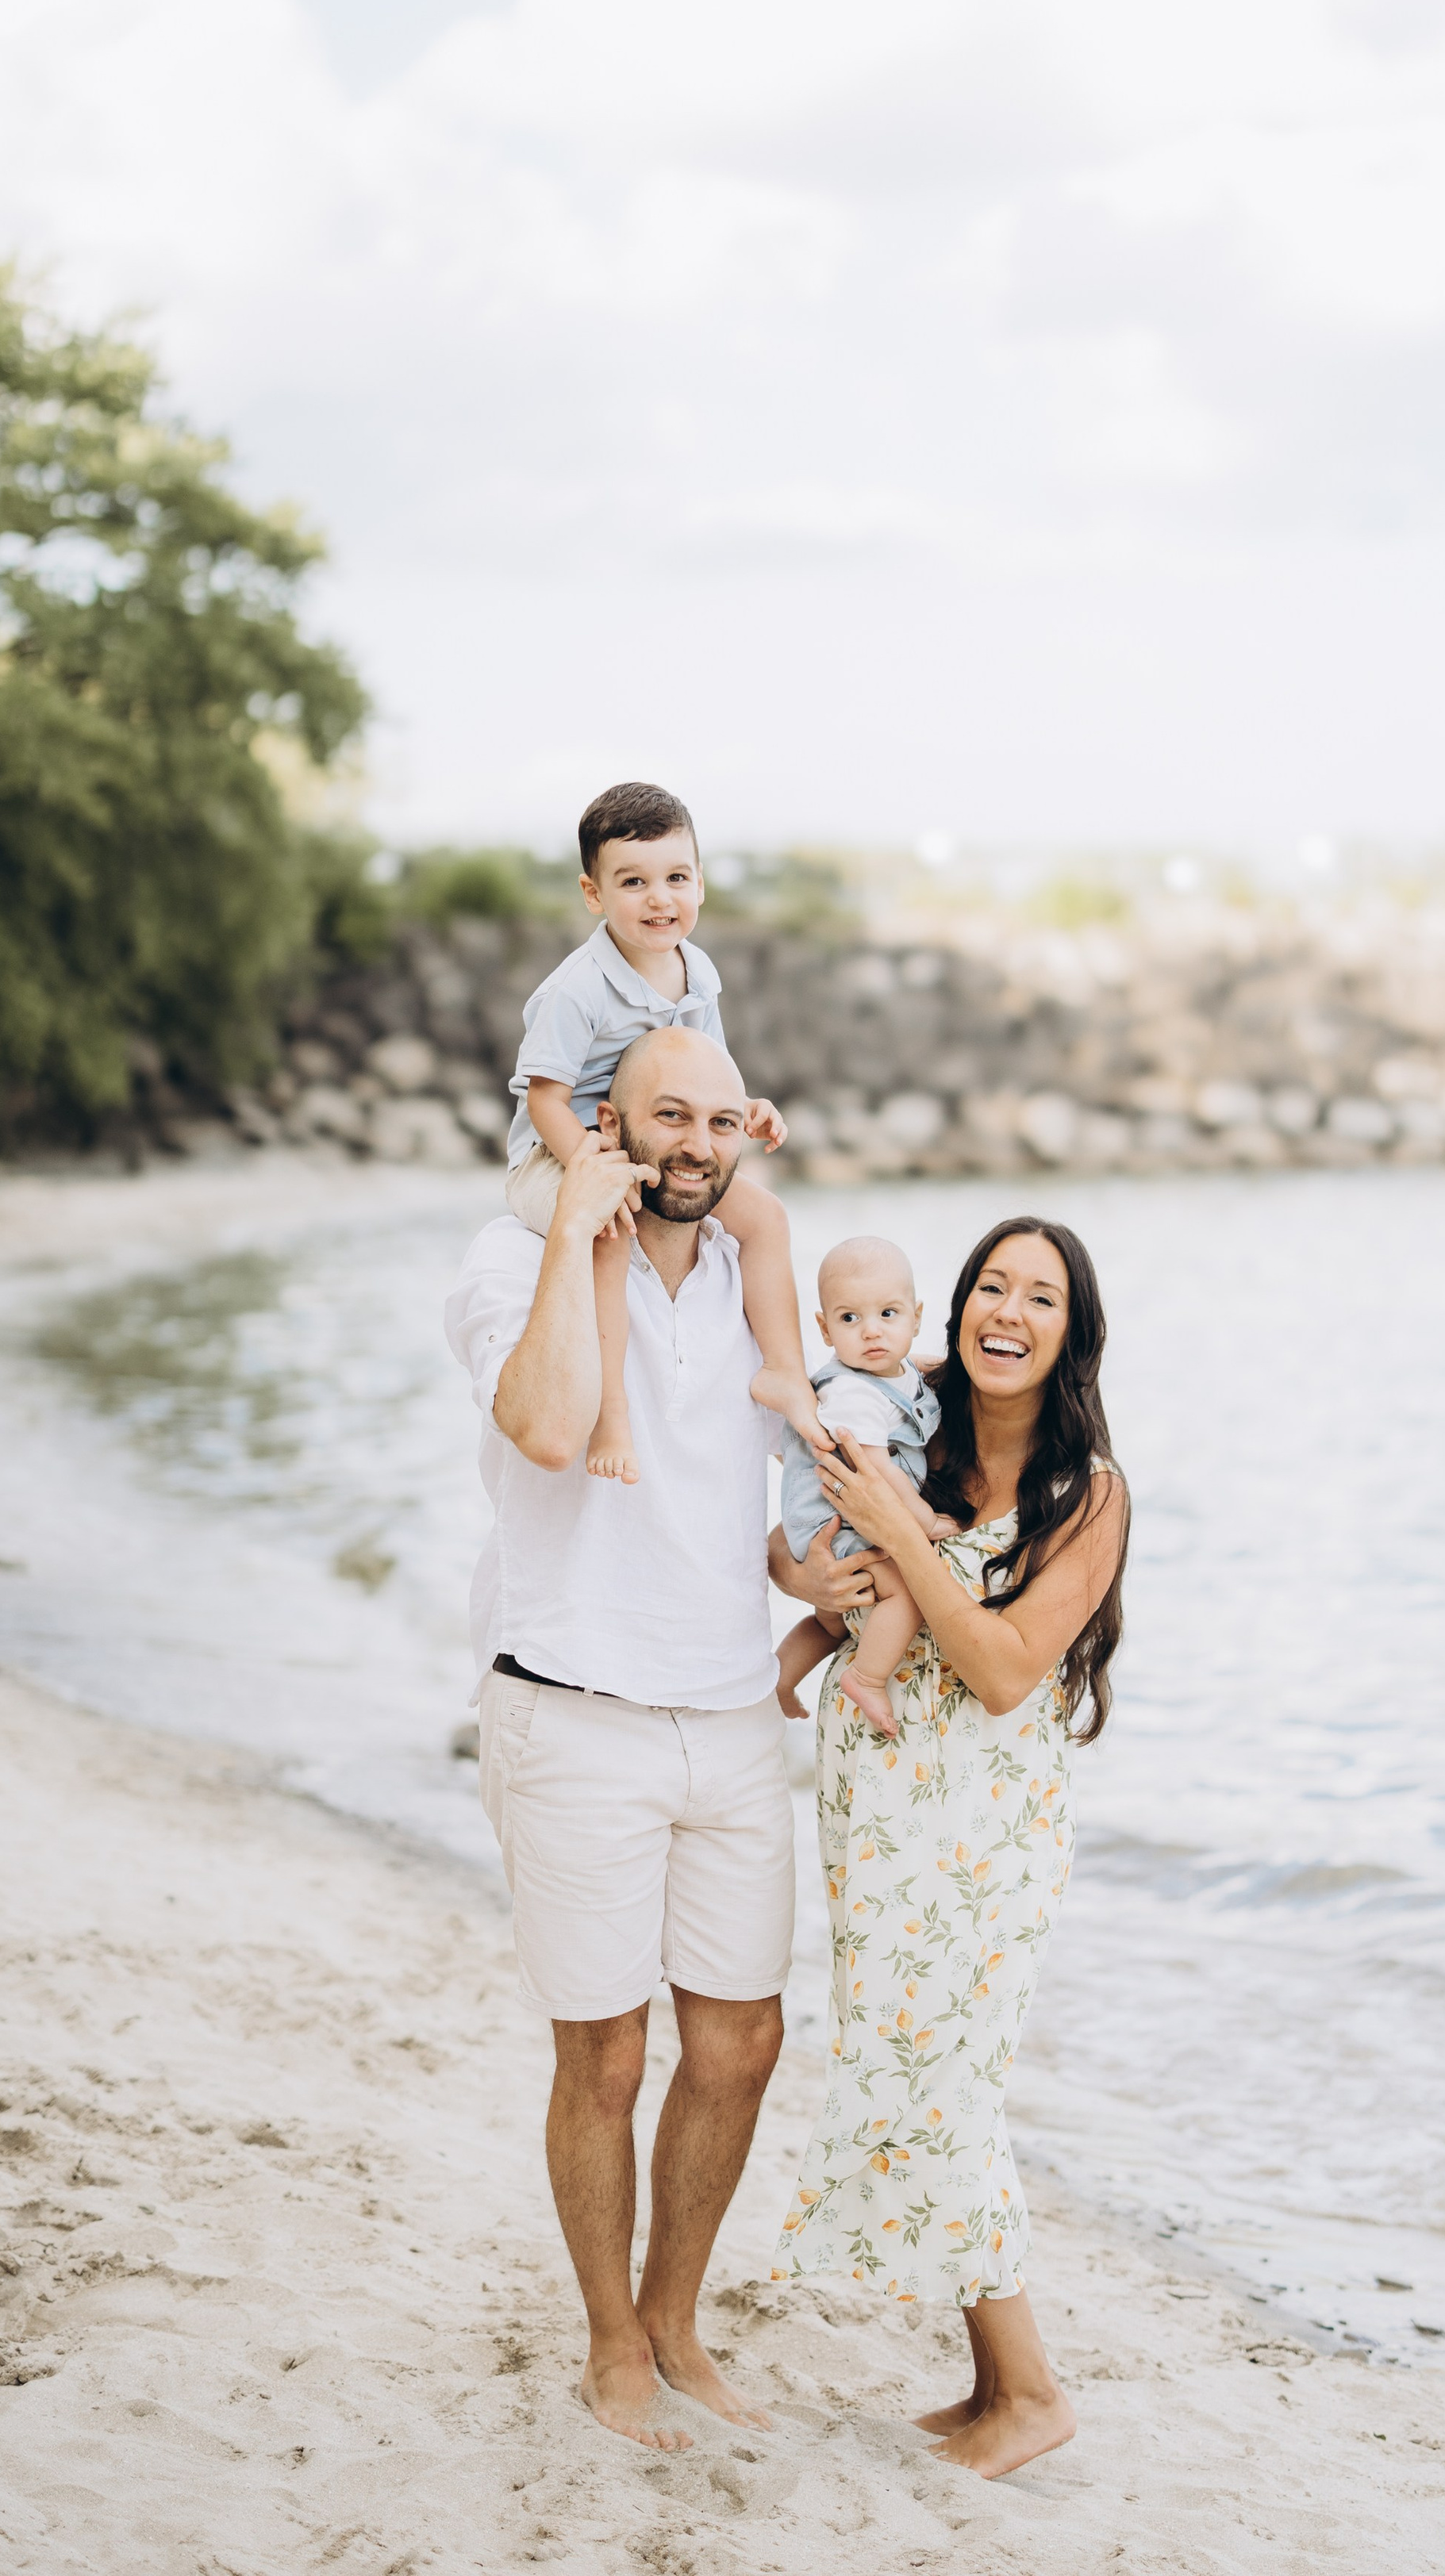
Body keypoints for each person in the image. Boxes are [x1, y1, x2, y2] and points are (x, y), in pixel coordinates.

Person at [444, 1026, 852, 2451]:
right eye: (660, 1117)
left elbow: (740, 1478)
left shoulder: (754, 1276)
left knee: (741, 2042)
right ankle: (610, 2340)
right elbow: (554, 1430)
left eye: (714, 1118)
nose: (691, 1143)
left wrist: (805, 1567)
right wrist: (575, 1225)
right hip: (572, 1706)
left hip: (735, 1706)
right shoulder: (510, 1266)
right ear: (604, 1122)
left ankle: (675, 2315)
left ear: (747, 1127)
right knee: (604, 2060)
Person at [770, 1215, 1129, 2482]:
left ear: (1070, 1331)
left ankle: (1032, 2393)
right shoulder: (903, 1411)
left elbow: (1001, 1673)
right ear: (952, 1306)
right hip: (874, 1807)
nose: (1007, 1310)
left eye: (1040, 1295)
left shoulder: (1087, 1492)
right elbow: (795, 1540)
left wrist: (901, 1535)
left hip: (982, 1831)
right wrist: (815, 1581)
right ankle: (990, 2389)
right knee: (910, 2068)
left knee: (947, 2089)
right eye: (991, 1283)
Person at [502, 778, 822, 1481]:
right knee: (615, 1232)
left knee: (763, 1216)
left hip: (650, 1140)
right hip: (559, 1152)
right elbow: (548, 1100)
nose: (659, 898)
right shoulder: (578, 988)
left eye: (676, 877)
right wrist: (594, 1168)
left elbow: (709, 1074)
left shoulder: (697, 973)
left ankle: (786, 1371)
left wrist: (747, 1105)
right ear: (594, 894)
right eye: (633, 881)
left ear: (701, 884)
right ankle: (613, 1411)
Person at [772, 1234, 959, 1735]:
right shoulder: (852, 1392)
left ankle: (780, 1681)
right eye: (850, 1318)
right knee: (909, 1591)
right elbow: (874, 1471)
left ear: (917, 1318)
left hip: (831, 1515)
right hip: (835, 1516)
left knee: (829, 1623)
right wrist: (923, 1521)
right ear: (825, 1328)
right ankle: (868, 1679)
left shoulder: (900, 1377)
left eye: (889, 1314)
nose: (871, 1332)